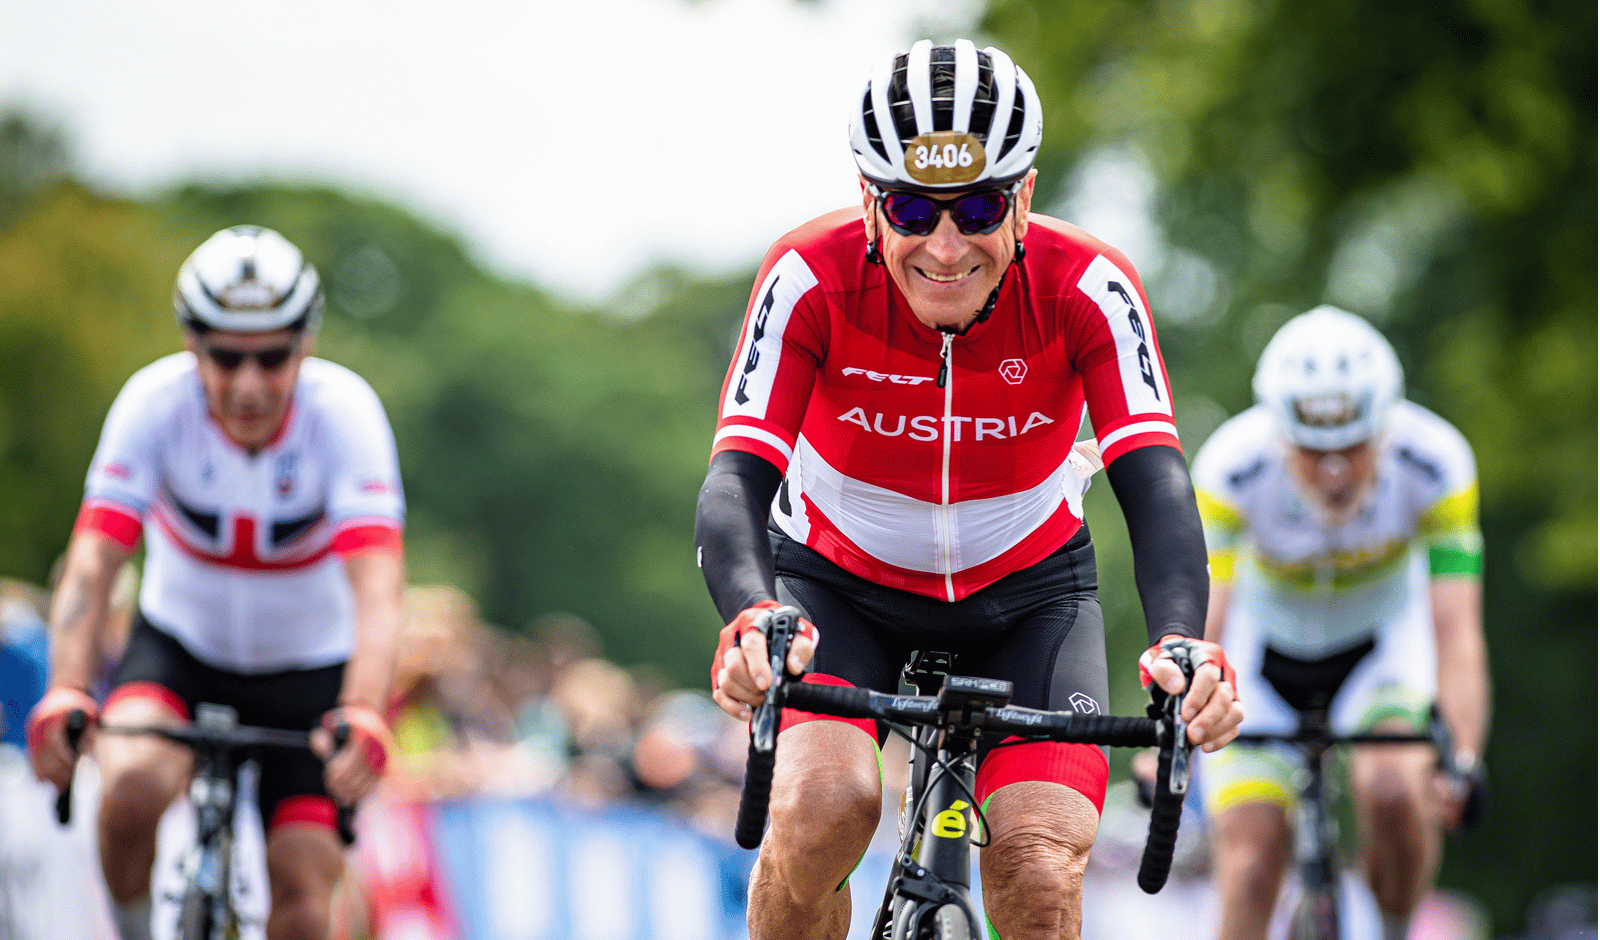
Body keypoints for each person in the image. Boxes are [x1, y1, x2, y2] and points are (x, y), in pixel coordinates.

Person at [693, 39, 1242, 940]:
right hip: (838, 588)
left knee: (1037, 867)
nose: (945, 249)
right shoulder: (808, 274)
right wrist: (752, 614)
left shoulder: (1088, 284)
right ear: (869, 202)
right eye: (912, 210)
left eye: (978, 208)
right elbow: (736, 477)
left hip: (1028, 597)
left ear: (1023, 198)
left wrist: (1182, 639)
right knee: (823, 813)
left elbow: (1156, 483)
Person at [24, 225, 407, 940]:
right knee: (130, 789)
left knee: (303, 895)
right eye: (226, 358)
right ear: (192, 346)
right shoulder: (152, 403)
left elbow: (379, 591)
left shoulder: (345, 414)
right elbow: (92, 564)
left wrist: (363, 708)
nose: (249, 385)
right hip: (181, 648)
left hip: (309, 671)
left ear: (305, 347)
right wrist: (67, 688)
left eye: (272, 357)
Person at [1191, 306, 1490, 940]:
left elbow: (1457, 629)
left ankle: (1396, 927)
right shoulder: (1229, 466)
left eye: (1352, 447)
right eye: (1313, 450)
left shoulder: (1436, 462)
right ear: (1279, 435)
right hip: (1259, 666)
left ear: (1385, 428)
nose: (1333, 472)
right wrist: (1167, 730)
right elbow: (1202, 622)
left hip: (1381, 656)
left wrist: (1460, 753)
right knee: (1249, 865)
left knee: (1393, 792)